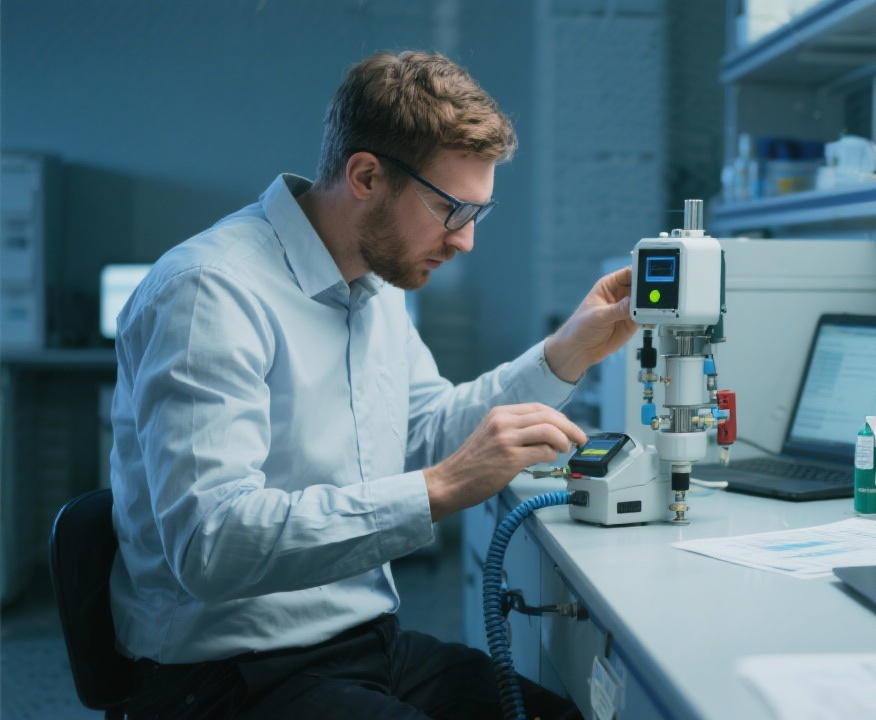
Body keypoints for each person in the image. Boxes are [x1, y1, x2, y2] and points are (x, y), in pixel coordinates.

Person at [108, 50, 635, 719]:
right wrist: (440, 489)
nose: (466, 241)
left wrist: (565, 354)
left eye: (479, 212)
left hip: (364, 646)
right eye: (451, 209)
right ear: (365, 175)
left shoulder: (373, 283)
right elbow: (212, 543)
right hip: (228, 676)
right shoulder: (209, 292)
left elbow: (424, 431)